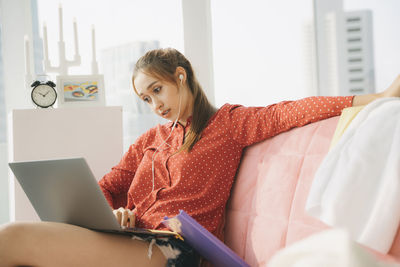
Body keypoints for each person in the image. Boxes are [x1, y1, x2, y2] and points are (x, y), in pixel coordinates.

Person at [0, 47, 399, 267]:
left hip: (177, 251)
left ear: (180, 76)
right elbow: (103, 189)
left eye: (157, 90)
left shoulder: (228, 125)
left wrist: (377, 99)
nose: (153, 104)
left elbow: (291, 111)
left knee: (11, 238)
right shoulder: (149, 141)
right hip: (132, 238)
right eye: (144, 98)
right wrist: (115, 214)